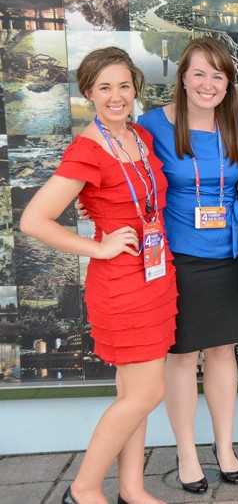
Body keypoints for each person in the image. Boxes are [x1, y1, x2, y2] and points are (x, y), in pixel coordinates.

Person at [20, 47, 177, 504]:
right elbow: (34, 220)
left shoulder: (137, 136)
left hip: (155, 273)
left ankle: (131, 487)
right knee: (147, 393)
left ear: (135, 90)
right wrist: (99, 246)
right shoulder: (88, 149)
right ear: (88, 92)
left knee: (134, 392)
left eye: (124, 86)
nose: (116, 95)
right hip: (121, 283)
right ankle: (83, 488)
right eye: (105, 87)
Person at [137, 37, 238, 493]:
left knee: (224, 350)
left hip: (227, 253)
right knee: (182, 357)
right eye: (199, 73)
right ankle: (186, 452)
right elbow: (123, 176)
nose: (208, 84)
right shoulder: (152, 125)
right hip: (178, 256)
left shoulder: (237, 126)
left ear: (228, 83)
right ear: (182, 76)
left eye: (218, 75)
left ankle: (224, 446)